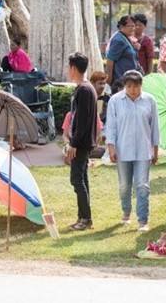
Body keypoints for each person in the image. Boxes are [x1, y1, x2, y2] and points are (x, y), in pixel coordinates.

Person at [104, 70, 159, 231]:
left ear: (141, 86)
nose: (132, 90)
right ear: (124, 86)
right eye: (129, 86)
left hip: (143, 149)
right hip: (123, 149)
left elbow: (154, 127)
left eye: (136, 86)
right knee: (124, 185)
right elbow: (111, 126)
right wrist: (111, 147)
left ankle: (143, 219)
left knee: (142, 185)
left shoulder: (149, 100)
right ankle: (126, 211)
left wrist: (155, 150)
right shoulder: (115, 101)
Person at [64, 52, 97, 231]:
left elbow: (82, 120)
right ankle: (83, 216)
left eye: (69, 67)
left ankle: (85, 218)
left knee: (77, 179)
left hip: (81, 143)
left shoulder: (84, 89)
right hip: (81, 141)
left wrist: (74, 143)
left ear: (73, 68)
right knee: (81, 178)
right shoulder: (84, 88)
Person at [105, 16, 139, 92]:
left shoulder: (127, 38)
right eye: (129, 26)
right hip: (120, 81)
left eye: (134, 26)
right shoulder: (119, 40)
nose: (132, 28)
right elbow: (110, 59)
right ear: (121, 26)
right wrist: (109, 77)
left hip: (129, 80)